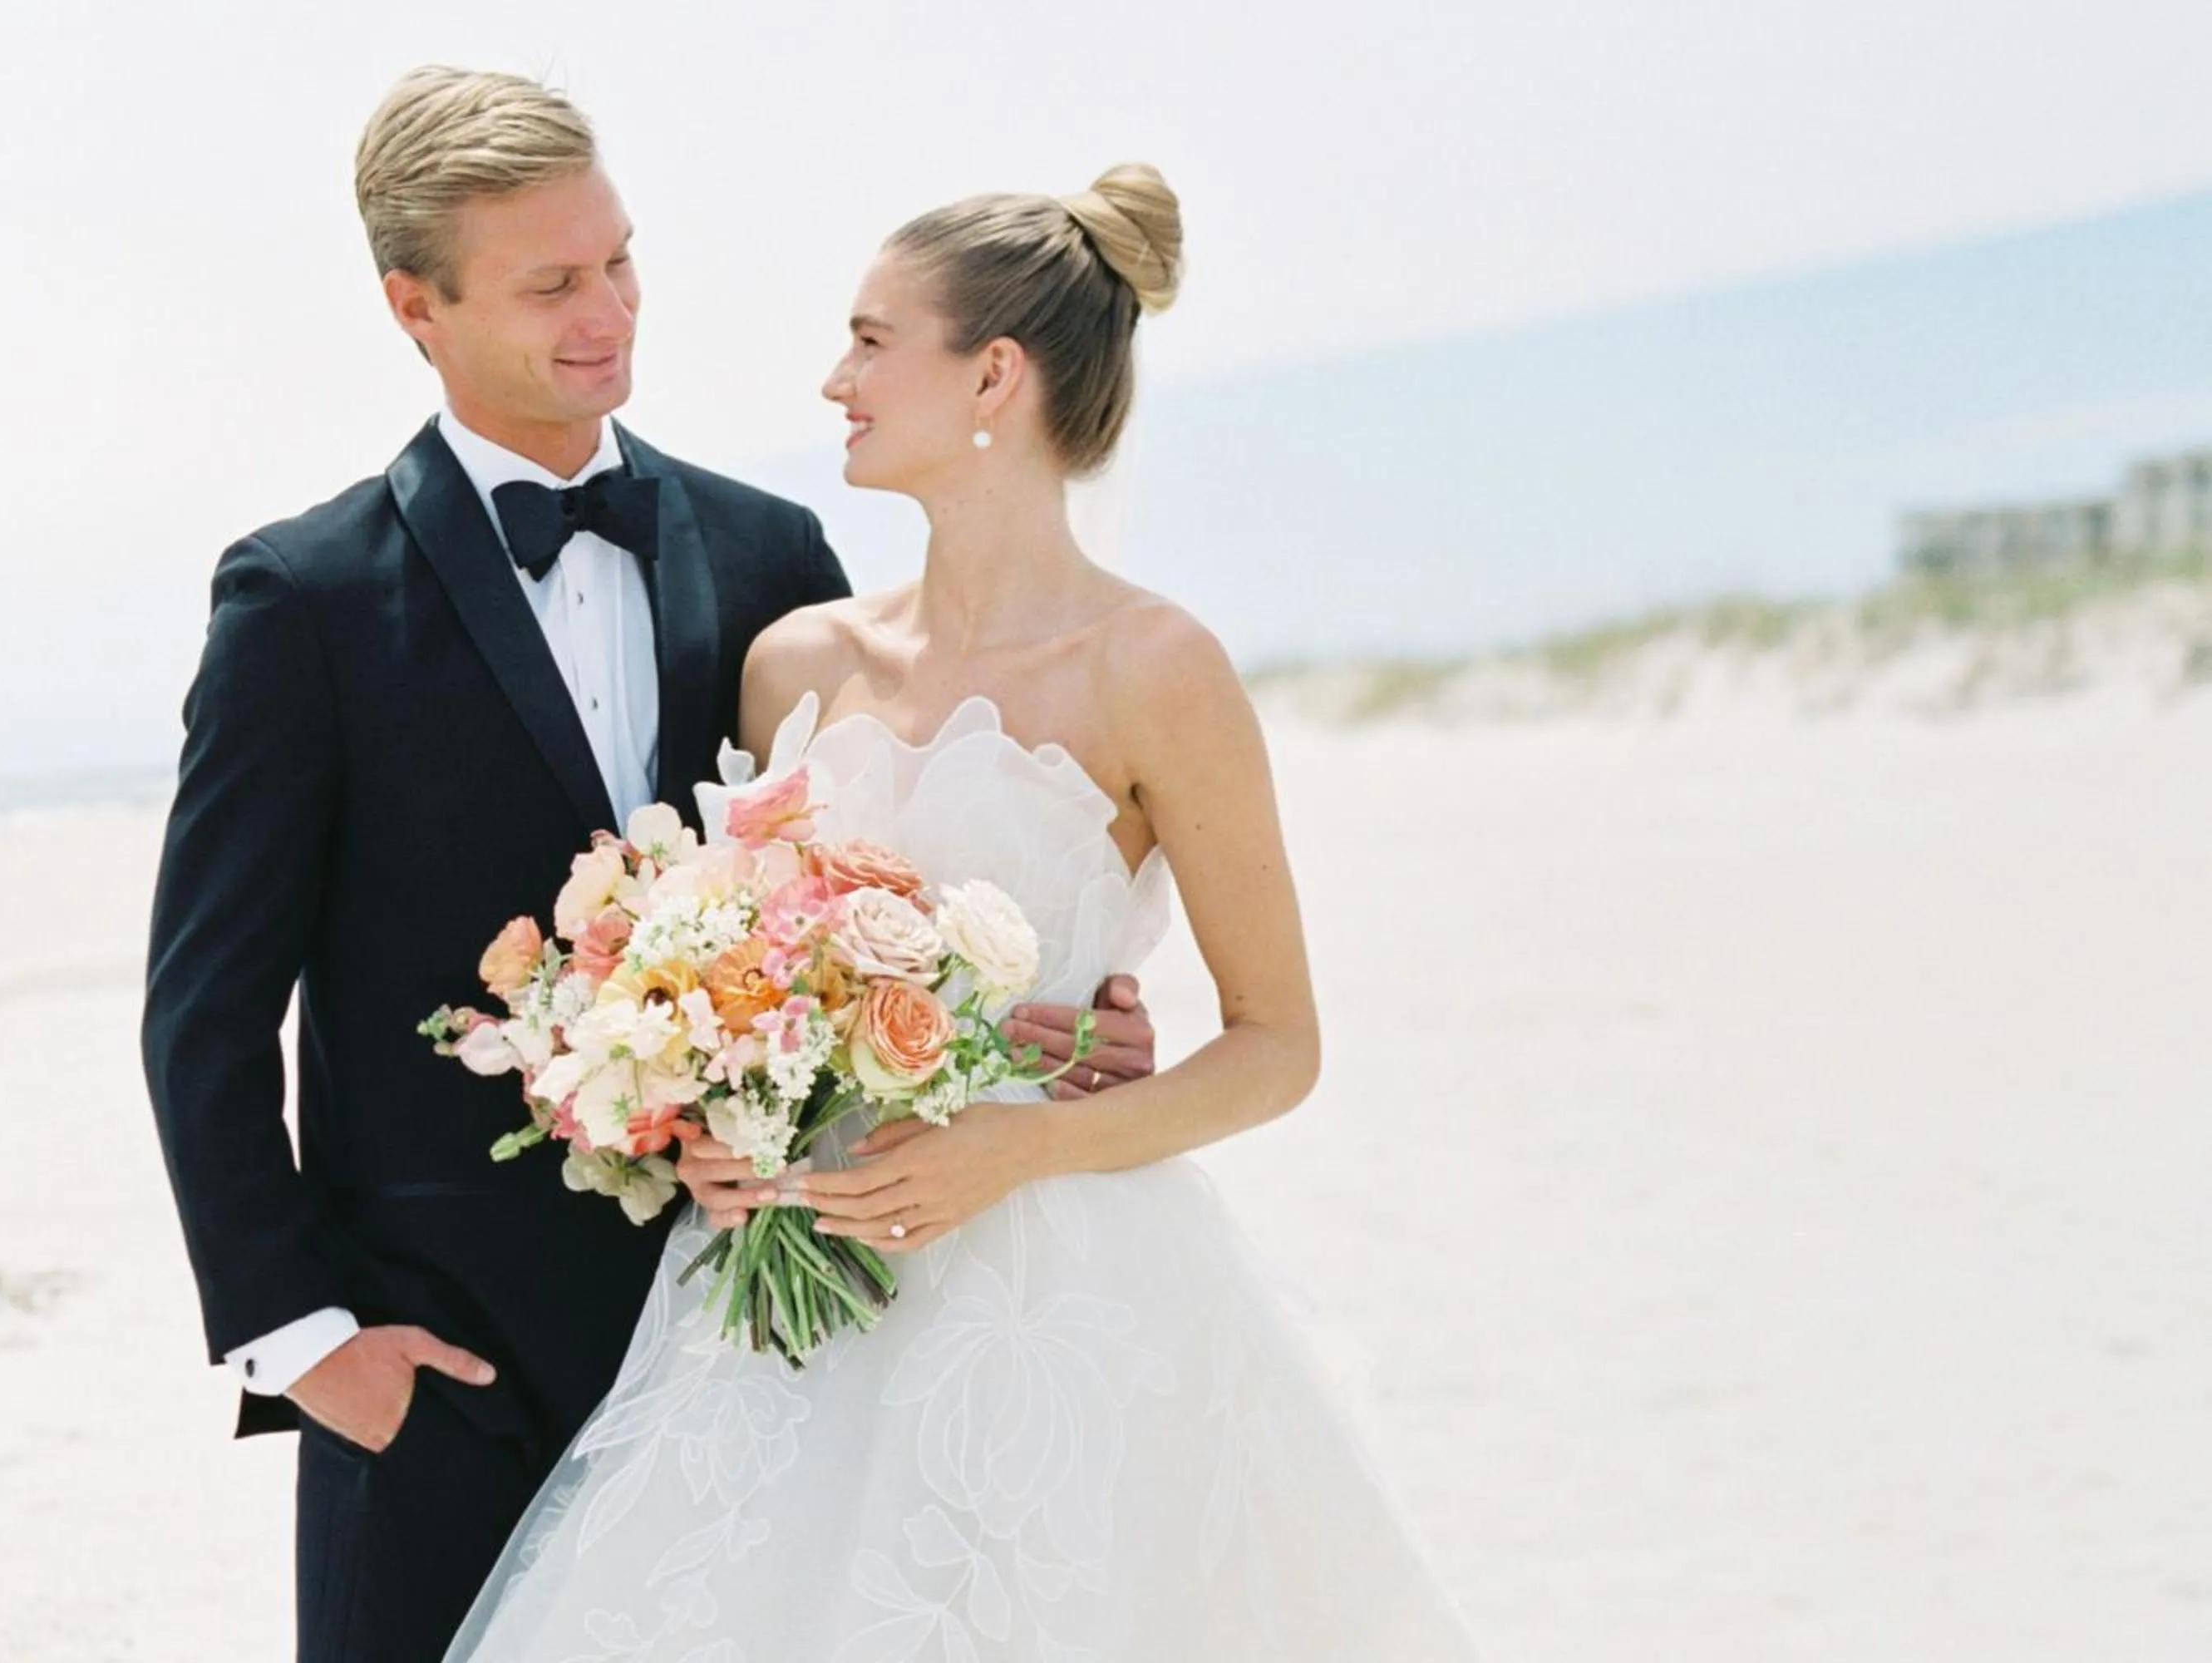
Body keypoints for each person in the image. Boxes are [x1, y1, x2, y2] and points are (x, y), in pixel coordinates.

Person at [139, 68, 1155, 1663]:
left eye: (618, 259)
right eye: (551, 284)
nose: (608, 310)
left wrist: (1050, 1020)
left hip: (755, 1333)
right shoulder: (302, 600)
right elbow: (203, 1012)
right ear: (417, 307)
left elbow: (868, 897)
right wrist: (306, 1342)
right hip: (438, 1372)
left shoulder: (770, 559)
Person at [442, 165, 1479, 1661]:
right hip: (791, 1295)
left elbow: (1277, 1044)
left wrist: (1027, 1140)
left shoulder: (1157, 668)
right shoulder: (796, 663)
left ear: (993, 373)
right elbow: (738, 977)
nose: (834, 379)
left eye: (872, 340)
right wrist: (714, 1127)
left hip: (1058, 1281)